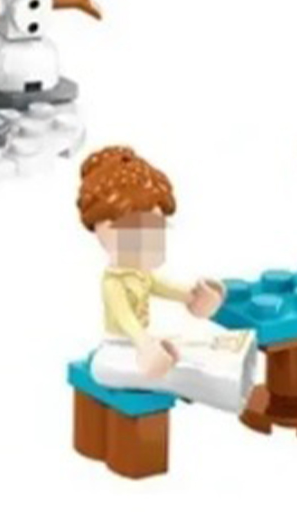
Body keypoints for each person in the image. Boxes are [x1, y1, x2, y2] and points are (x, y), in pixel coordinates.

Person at [78, 145, 255, 410]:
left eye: (157, 229)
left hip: (142, 344)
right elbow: (126, 320)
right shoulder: (113, 282)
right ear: (106, 229)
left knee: (191, 353)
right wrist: (145, 344)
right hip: (117, 348)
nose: (152, 241)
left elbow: (160, 286)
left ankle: (228, 378)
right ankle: (219, 388)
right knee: (170, 370)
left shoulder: (139, 274)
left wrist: (190, 296)